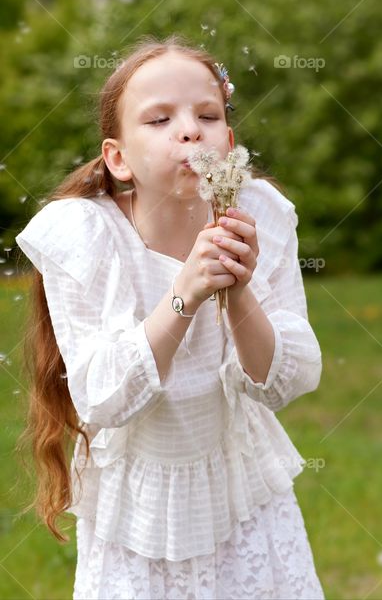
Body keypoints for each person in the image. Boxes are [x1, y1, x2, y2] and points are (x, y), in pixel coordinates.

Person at [15, 36, 324, 598]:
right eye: (159, 119)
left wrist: (239, 290)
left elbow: (286, 381)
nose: (190, 130)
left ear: (228, 143)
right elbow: (103, 397)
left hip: (239, 492)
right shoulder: (87, 236)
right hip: (138, 507)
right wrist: (184, 292)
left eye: (207, 115)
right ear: (118, 157)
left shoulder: (260, 214)